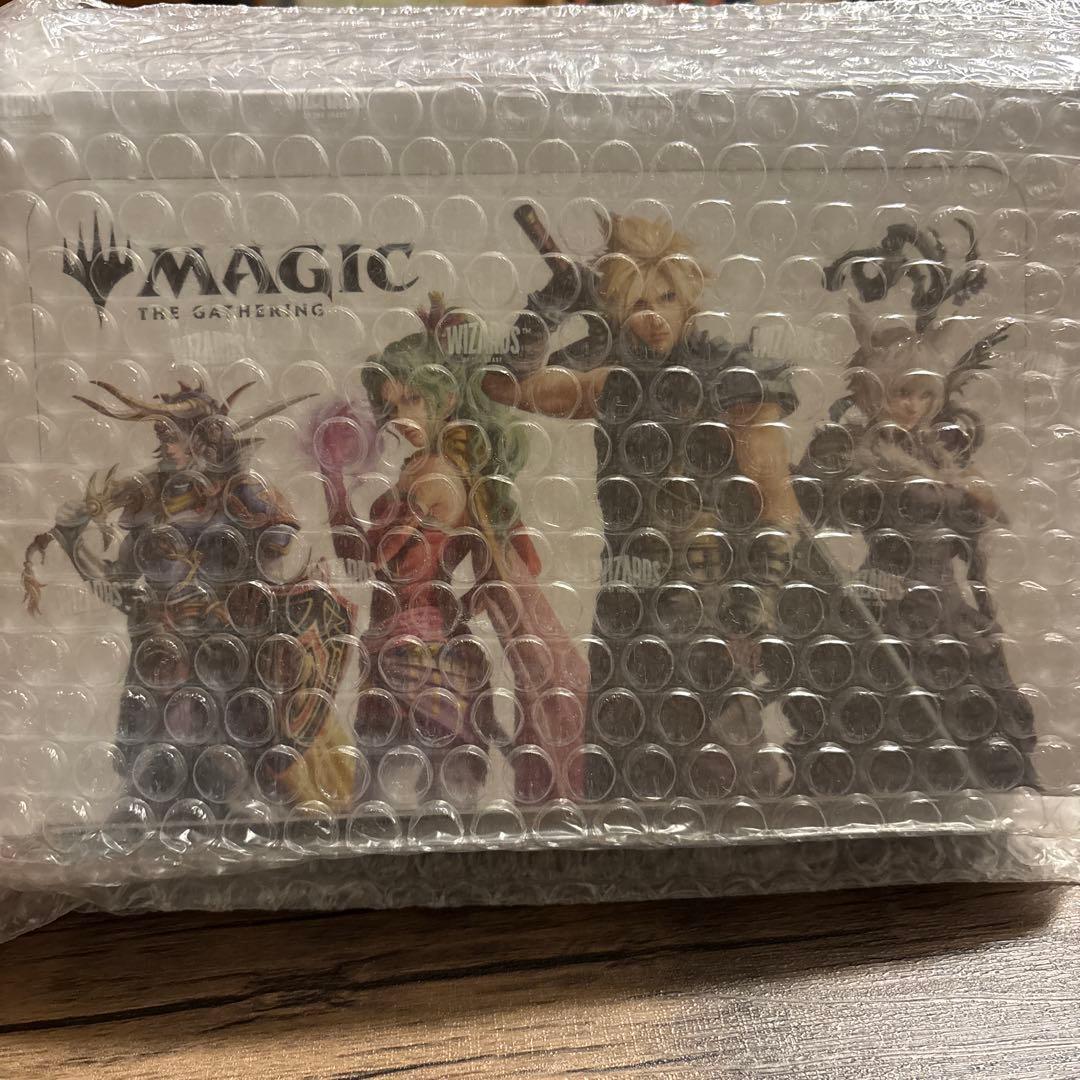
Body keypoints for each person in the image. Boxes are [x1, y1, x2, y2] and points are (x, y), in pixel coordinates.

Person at [482, 209, 802, 798]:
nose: (654, 317)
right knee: (624, 766)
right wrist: (551, 300)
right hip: (628, 599)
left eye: (666, 298)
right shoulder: (613, 383)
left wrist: (754, 608)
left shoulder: (735, 382)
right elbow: (504, 385)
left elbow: (779, 507)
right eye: (637, 304)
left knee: (724, 772)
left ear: (689, 298)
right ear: (617, 312)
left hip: (710, 599)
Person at [23, 380, 357, 815]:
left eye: (174, 435)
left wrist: (235, 484)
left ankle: (250, 800)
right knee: (159, 752)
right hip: (163, 647)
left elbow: (278, 541)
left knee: (239, 741)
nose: (166, 444)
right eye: (162, 436)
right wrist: (74, 540)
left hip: (226, 646)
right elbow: (121, 584)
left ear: (204, 438)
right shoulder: (150, 501)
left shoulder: (236, 494)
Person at [320, 296, 588, 806]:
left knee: (422, 795)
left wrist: (332, 482)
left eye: (412, 401)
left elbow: (374, 559)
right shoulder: (417, 469)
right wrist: (331, 481)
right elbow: (361, 556)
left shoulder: (439, 477)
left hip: (420, 656)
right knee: (389, 795)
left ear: (444, 401)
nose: (400, 417)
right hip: (399, 647)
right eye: (391, 406)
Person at [803, 222, 1038, 791]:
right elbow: (825, 503)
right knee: (889, 711)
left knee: (972, 708)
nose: (912, 405)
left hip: (946, 605)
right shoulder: (860, 451)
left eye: (923, 394)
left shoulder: (940, 450)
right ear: (874, 392)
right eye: (900, 393)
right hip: (888, 598)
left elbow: (987, 514)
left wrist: (971, 491)